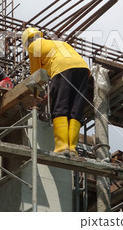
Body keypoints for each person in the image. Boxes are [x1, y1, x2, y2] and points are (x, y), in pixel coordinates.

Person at [22, 27, 90, 157]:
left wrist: (37, 94)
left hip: (62, 69)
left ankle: (61, 146)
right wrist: (51, 92)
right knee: (75, 109)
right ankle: (72, 148)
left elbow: (36, 75)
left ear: (27, 42)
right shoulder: (58, 43)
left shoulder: (33, 46)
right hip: (83, 70)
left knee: (60, 107)